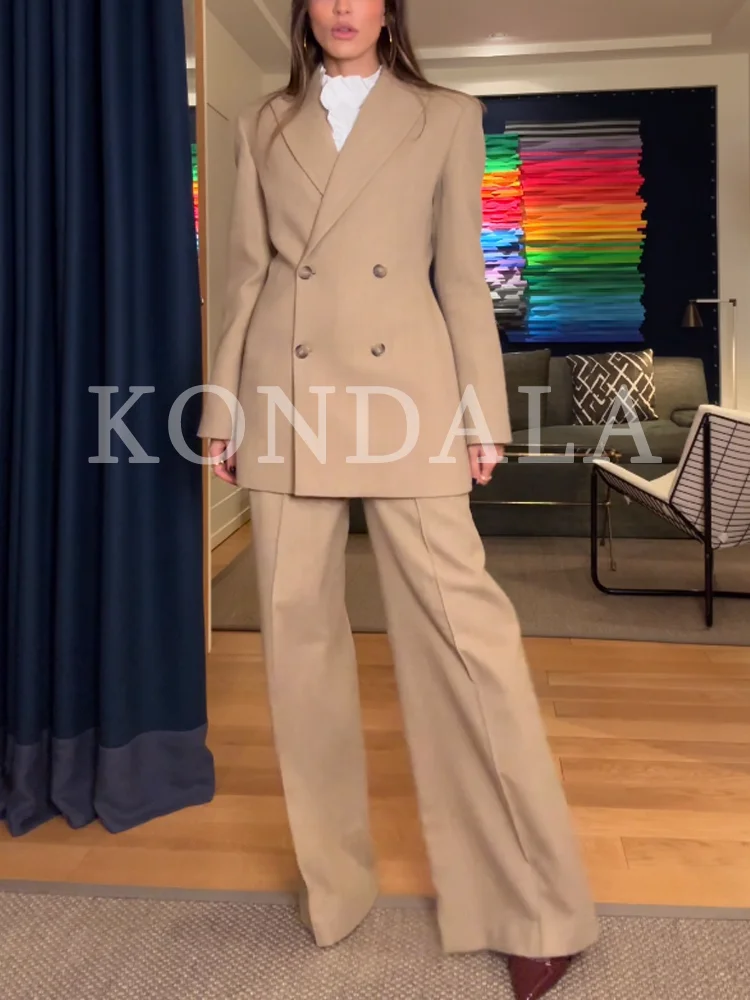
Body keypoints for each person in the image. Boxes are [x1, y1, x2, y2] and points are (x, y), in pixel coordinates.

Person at [197, 1, 599, 997]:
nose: (343, 8)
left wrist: (483, 412)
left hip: (408, 394)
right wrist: (221, 404)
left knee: (468, 643)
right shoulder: (264, 121)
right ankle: (335, 884)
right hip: (284, 395)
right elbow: (246, 276)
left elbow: (462, 277)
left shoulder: (447, 115)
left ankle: (531, 904)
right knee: (297, 648)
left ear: (389, 7)